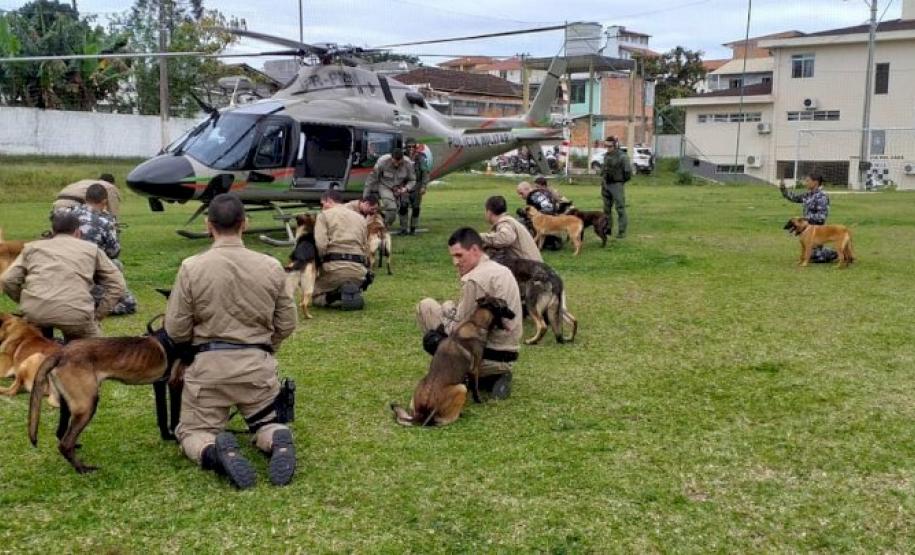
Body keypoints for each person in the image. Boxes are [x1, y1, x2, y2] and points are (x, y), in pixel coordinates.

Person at [165, 194, 297, 489]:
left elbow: (175, 329)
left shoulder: (191, 267)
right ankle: (277, 439)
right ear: (245, 224)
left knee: (192, 432)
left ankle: (214, 452)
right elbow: (287, 323)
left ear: (208, 225)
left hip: (208, 370)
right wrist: (265, 348)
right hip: (257, 370)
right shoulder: (272, 266)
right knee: (267, 422)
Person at [415, 227, 522, 399]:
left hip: (483, 357)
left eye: (459, 255)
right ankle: (494, 376)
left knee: (426, 307)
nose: (455, 262)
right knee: (449, 307)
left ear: (474, 250)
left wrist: (446, 310)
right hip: (509, 354)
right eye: (453, 257)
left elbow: (458, 329)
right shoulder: (502, 270)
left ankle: (463, 375)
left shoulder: (475, 279)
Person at [1, 211, 125, 341]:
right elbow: (117, 284)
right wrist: (98, 314)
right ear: (78, 232)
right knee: (91, 352)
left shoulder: (32, 248)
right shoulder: (92, 249)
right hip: (75, 313)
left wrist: (27, 300)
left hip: (35, 313)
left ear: (52, 231)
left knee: (37, 346)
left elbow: (7, 279)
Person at [69, 184, 138, 315]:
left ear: (85, 198)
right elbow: (114, 252)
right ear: (104, 201)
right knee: (129, 304)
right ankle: (97, 306)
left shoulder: (67, 214)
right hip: (90, 270)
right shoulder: (104, 221)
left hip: (66, 268)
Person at [313, 189, 371, 310]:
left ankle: (334, 296)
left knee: (315, 296)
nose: (322, 207)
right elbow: (366, 248)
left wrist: (317, 265)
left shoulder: (324, 216)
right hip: (358, 272)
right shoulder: (360, 218)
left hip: (334, 269)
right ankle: (351, 289)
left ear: (329, 200)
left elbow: (321, 245)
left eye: (323, 204)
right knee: (350, 278)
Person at [780, 173, 836, 262]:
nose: (805, 183)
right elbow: (793, 198)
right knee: (808, 255)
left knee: (814, 256)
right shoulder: (808, 195)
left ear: (815, 182)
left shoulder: (822, 197)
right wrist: (783, 189)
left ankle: (835, 253)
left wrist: (805, 219)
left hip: (816, 232)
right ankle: (817, 253)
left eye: (807, 181)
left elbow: (821, 217)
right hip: (806, 230)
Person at [480, 195, 543, 262]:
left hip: (530, 269)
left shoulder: (505, 223)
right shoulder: (509, 221)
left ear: (489, 212)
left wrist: (481, 237)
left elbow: (505, 238)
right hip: (533, 266)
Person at [364, 148, 415, 228]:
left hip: (400, 188)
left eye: (399, 162)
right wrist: (365, 196)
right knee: (391, 209)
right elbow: (371, 179)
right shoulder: (382, 162)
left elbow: (412, 180)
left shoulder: (408, 164)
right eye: (395, 162)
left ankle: (386, 225)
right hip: (385, 186)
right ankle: (383, 227)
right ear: (391, 158)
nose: (397, 164)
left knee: (401, 207)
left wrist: (406, 188)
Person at [516, 181, 564, 250]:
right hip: (554, 219)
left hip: (544, 220)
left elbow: (531, 214)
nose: (520, 196)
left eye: (521, 193)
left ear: (527, 189)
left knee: (520, 221)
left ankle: (526, 243)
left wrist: (522, 213)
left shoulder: (531, 197)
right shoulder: (542, 191)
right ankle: (551, 240)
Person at [601, 136, 631, 239]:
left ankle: (621, 231)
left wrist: (620, 182)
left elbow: (628, 172)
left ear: (615, 145)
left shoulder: (622, 157)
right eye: (606, 146)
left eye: (610, 146)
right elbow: (604, 169)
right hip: (606, 184)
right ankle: (607, 229)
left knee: (620, 208)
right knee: (606, 209)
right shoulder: (606, 156)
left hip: (617, 184)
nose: (608, 148)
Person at [52, 173, 122, 218]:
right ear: (113, 183)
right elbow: (113, 213)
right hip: (75, 205)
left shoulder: (86, 182)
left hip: (58, 203)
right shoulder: (110, 187)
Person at [399, 139, 429, 235]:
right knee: (403, 207)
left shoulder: (420, 158)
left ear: (416, 148)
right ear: (405, 148)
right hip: (404, 186)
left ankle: (413, 229)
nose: (411, 149)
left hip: (417, 186)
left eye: (413, 147)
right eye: (409, 147)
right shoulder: (401, 158)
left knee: (416, 208)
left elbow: (425, 173)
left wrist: (424, 186)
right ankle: (403, 229)